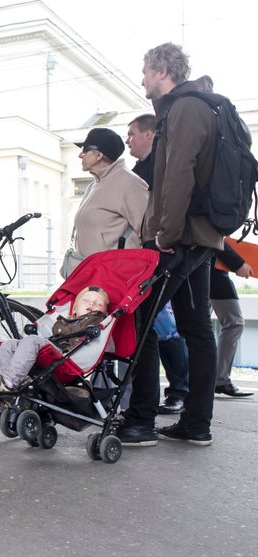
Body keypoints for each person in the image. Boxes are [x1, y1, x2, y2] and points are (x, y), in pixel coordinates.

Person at [119, 42, 222, 447]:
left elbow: (179, 175)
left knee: (141, 317)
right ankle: (196, 424)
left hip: (181, 238)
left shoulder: (185, 108)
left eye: (145, 69)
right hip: (199, 238)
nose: (141, 77)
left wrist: (164, 234)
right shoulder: (192, 107)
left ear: (162, 70)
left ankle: (141, 421)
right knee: (196, 328)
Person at [126, 115, 190, 414]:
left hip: (163, 253)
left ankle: (179, 390)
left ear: (149, 134)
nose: (129, 140)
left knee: (164, 327)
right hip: (146, 254)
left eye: (132, 134)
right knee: (160, 326)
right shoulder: (138, 171)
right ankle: (176, 390)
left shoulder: (156, 167)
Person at [64, 127, 149, 277]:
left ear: (99, 154)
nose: (80, 155)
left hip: (112, 277)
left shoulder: (130, 184)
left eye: (84, 150)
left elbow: (148, 231)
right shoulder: (94, 185)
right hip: (87, 273)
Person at [0, 286, 109, 390]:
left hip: (67, 358)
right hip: (53, 351)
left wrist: (105, 318)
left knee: (33, 340)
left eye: (99, 304)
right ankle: (3, 383)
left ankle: (10, 381)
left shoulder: (96, 320)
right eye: (86, 300)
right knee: (8, 344)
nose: (92, 304)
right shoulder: (65, 321)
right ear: (74, 309)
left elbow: (101, 320)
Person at [210, 245, 254, 398]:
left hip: (207, 268)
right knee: (234, 323)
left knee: (198, 327)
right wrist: (238, 263)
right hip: (212, 269)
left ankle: (208, 380)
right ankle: (219, 380)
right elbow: (214, 237)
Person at [126, 113, 157, 188]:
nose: (127, 141)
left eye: (131, 135)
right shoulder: (142, 164)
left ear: (147, 134)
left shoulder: (160, 165)